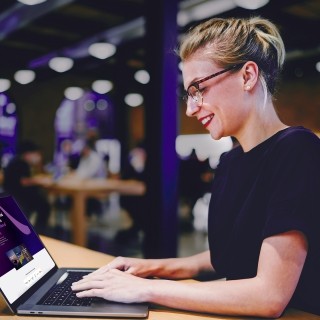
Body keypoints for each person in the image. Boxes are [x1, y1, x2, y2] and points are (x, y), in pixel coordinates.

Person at [71, 17, 320, 317]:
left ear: (248, 76)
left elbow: (269, 296)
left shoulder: (297, 150)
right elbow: (225, 258)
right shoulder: (230, 162)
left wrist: (145, 289)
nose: (190, 108)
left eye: (198, 89)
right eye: (189, 94)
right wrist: (149, 267)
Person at [2, 140, 51, 233]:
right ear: (27, 154)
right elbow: (23, 181)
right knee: (44, 206)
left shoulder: (20, 162)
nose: (38, 157)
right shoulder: (19, 163)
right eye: (36, 154)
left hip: (20, 196)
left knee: (44, 205)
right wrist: (38, 181)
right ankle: (39, 232)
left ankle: (38, 232)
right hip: (19, 197)